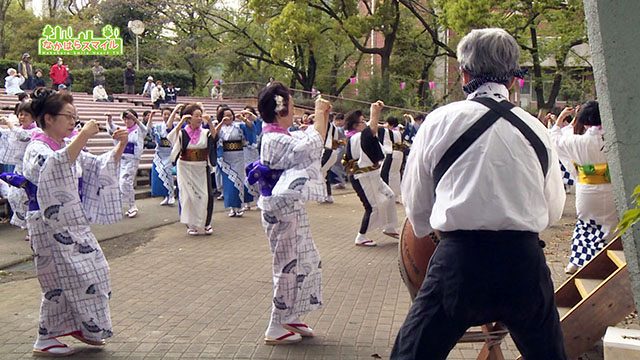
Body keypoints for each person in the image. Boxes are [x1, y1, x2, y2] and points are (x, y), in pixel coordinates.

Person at [391, 28, 567, 360]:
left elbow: (417, 209)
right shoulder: (539, 130)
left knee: (410, 354)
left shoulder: (439, 122)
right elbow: (555, 209)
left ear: (464, 73)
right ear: (513, 80)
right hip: (524, 265)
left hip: (459, 263)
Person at [11, 88, 128, 356]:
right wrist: (84, 135)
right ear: (49, 118)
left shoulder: (64, 145)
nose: (74, 121)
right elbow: (53, 168)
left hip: (70, 223)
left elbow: (96, 166)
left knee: (89, 275)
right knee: (59, 281)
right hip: (47, 224)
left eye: (75, 117)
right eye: (68, 116)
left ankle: (79, 328)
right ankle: (47, 337)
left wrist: (120, 145)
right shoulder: (37, 147)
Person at [248, 81, 328, 345]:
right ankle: (275, 325)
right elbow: (310, 147)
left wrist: (318, 120)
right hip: (281, 212)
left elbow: (305, 139)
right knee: (286, 265)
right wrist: (320, 115)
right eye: (292, 106)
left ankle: (292, 314)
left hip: (289, 209)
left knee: (307, 259)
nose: (294, 111)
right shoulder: (274, 139)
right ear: (281, 109)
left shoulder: (279, 135)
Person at [549, 101, 617, 275]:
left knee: (585, 226)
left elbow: (555, 139)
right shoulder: (615, 140)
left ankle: (576, 261)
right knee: (611, 225)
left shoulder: (577, 142)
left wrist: (561, 119)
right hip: (612, 189)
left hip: (587, 190)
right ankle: (604, 262)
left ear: (585, 121)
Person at [343, 105, 399, 247]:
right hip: (362, 177)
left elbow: (370, 134)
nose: (366, 123)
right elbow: (371, 132)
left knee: (390, 196)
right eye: (363, 121)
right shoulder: (356, 137)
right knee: (372, 206)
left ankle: (389, 227)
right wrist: (375, 112)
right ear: (356, 125)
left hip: (372, 175)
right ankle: (361, 236)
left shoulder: (358, 137)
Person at [167, 103, 217, 235]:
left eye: (200, 116)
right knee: (188, 196)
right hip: (185, 167)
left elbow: (214, 137)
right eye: (196, 116)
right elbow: (172, 137)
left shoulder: (205, 132)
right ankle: (191, 225)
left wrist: (210, 122)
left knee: (206, 195)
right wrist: (181, 121)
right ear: (189, 118)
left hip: (201, 167)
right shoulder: (183, 133)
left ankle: (206, 223)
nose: (200, 118)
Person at [0, 103, 40, 239]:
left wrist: (10, 124)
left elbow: (23, 135)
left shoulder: (36, 132)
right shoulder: (16, 129)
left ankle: (33, 228)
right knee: (14, 196)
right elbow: (5, 134)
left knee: (31, 197)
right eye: (20, 114)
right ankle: (27, 224)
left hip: (31, 169)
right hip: (19, 168)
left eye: (26, 114)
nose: (22, 117)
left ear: (33, 117)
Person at [106, 109, 148, 218]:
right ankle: (126, 205)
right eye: (125, 119)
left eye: (129, 119)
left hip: (132, 159)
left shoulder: (138, 130)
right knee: (121, 183)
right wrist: (109, 120)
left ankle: (132, 205)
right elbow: (112, 129)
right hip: (122, 159)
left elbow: (145, 129)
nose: (127, 121)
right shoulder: (123, 130)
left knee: (126, 181)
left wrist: (135, 119)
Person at [216, 106, 254, 217]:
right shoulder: (220, 128)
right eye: (225, 115)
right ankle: (232, 208)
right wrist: (220, 123)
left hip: (238, 156)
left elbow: (251, 128)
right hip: (225, 158)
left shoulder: (239, 126)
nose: (228, 117)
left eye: (230, 115)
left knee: (238, 181)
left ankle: (239, 206)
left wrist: (243, 119)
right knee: (228, 184)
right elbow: (213, 135)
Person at [150, 107, 177, 205]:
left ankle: (171, 195)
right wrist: (151, 118)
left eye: (168, 114)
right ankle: (165, 195)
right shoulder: (157, 126)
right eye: (164, 114)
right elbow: (149, 132)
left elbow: (169, 130)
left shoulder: (175, 126)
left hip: (170, 153)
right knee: (159, 174)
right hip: (159, 153)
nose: (166, 116)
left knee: (168, 173)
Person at [379, 116, 405, 203]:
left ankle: (388, 194)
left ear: (391, 124)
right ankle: (396, 195)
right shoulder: (399, 132)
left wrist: (382, 126)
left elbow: (378, 128)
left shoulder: (390, 131)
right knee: (395, 174)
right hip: (399, 154)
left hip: (392, 154)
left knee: (386, 174)